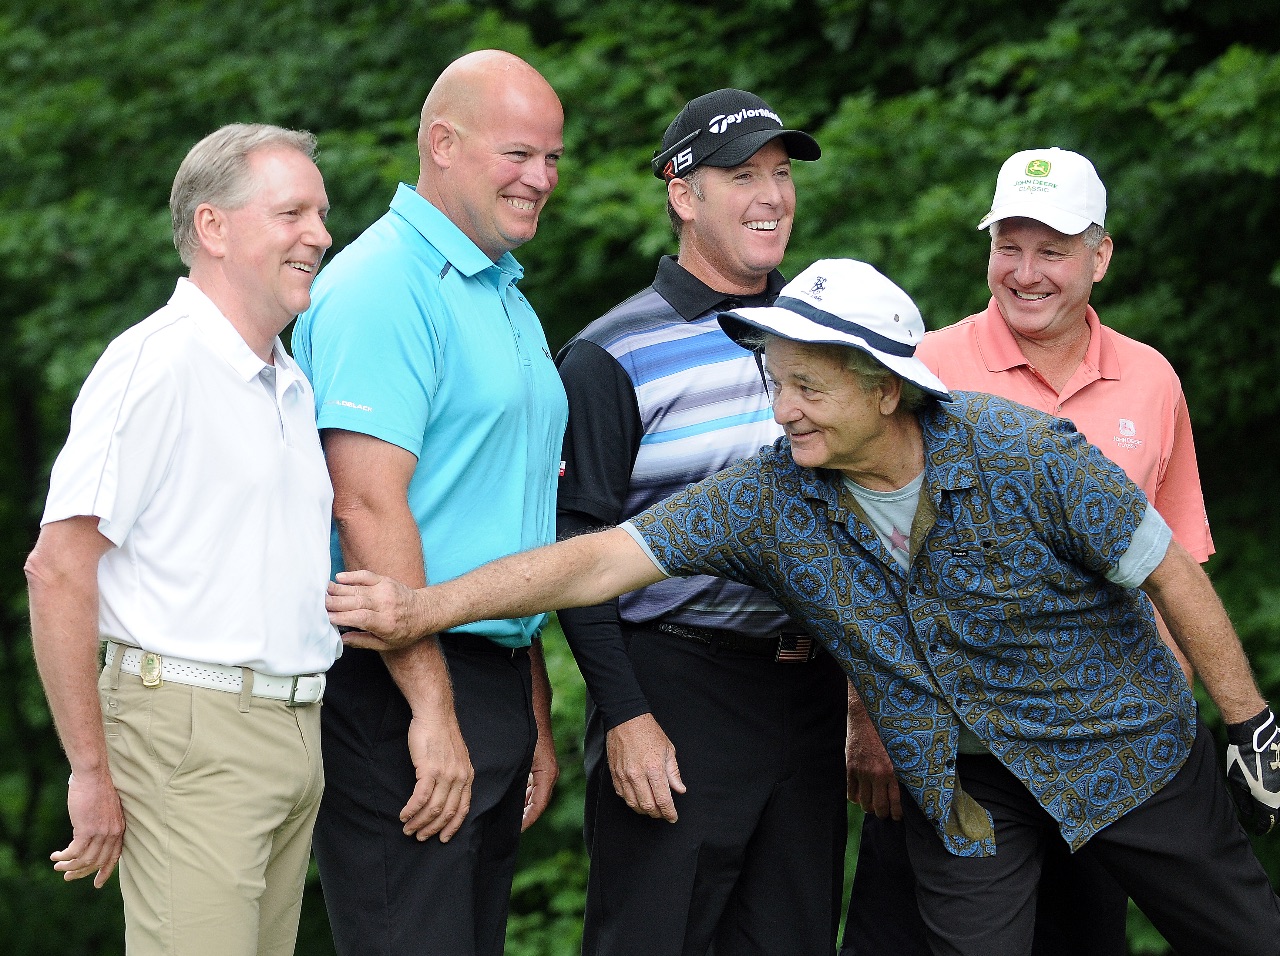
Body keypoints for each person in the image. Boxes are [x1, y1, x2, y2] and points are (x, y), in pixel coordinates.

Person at [328, 258, 1280, 956]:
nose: (783, 410)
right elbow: (595, 561)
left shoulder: (1027, 454)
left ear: (883, 387)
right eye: (775, 383)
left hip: (1124, 748)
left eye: (807, 387)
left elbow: (1170, 571)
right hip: (967, 782)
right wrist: (422, 608)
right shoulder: (772, 499)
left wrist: (1249, 724)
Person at [842, 148, 1219, 955]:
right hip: (956, 751)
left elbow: (1177, 562)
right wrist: (868, 717)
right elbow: (864, 563)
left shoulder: (1153, 381)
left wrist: (1171, 719)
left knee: (1083, 939)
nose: (1026, 272)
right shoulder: (925, 373)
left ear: (1099, 255)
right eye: (1009, 246)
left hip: (1102, 748)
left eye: (1051, 250)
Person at [24, 123, 338, 956]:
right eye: (292, 212)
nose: (320, 234)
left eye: (322, 213)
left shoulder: (291, 379)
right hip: (189, 733)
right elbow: (57, 570)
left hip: (297, 731)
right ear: (213, 226)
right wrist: (91, 770)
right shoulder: (153, 366)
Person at [555, 88, 848, 956]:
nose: (771, 195)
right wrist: (626, 718)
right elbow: (576, 553)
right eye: (742, 175)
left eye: (782, 172)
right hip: (676, 688)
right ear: (684, 194)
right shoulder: (610, 352)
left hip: (807, 691)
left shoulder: (831, 335)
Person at [290, 50, 567, 956]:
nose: (541, 179)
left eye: (554, 159)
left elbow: (503, 518)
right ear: (442, 144)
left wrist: (527, 713)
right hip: (396, 687)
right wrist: (434, 715)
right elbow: (364, 507)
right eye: (519, 153)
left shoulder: (503, 293)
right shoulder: (383, 285)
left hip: (487, 678)